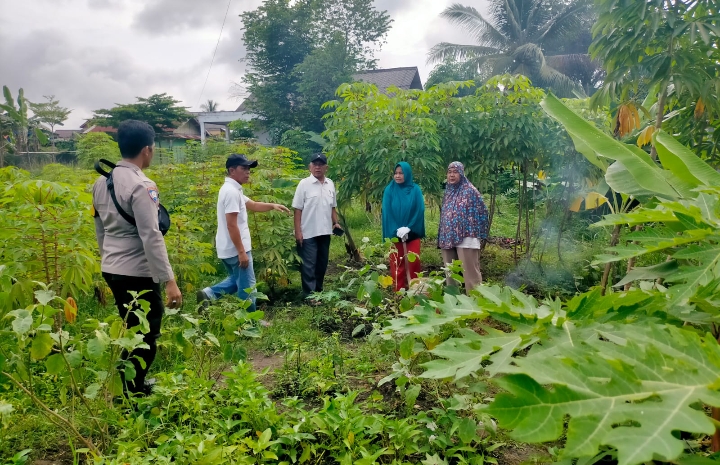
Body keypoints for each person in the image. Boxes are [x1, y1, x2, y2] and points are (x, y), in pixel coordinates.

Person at [92, 119, 182, 395]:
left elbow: (100, 230)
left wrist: (109, 258)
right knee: (146, 333)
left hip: (113, 267)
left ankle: (130, 385)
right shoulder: (143, 185)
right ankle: (132, 391)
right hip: (137, 271)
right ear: (147, 150)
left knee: (132, 329)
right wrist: (169, 280)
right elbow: (151, 235)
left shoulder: (100, 182)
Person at [197, 154, 290, 311]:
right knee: (248, 288)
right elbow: (231, 225)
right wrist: (241, 252)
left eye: (249, 169)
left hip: (228, 247)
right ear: (232, 170)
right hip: (236, 248)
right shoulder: (231, 192)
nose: (248, 172)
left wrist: (273, 205)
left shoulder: (233, 189)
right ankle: (249, 323)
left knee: (238, 279)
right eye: (244, 168)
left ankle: (209, 294)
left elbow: (252, 205)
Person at [292, 153, 341, 298]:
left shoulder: (330, 183)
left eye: (321, 164)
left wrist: (336, 223)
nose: (317, 167)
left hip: (325, 231)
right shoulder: (304, 184)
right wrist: (298, 231)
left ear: (326, 167)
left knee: (322, 263)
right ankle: (310, 295)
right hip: (308, 232)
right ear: (310, 167)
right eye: (315, 164)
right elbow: (297, 209)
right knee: (308, 265)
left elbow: (332, 207)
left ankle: (318, 291)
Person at [438, 161, 489, 294]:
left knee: (470, 275)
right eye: (449, 172)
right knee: (450, 274)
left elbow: (483, 212)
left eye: (455, 172)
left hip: (467, 237)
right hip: (448, 237)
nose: (452, 175)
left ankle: (476, 306)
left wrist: (473, 229)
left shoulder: (470, 191)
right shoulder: (448, 192)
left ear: (461, 173)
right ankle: (453, 304)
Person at [381, 162, 425, 291]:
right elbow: (387, 211)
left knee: (414, 262)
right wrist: (396, 229)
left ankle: (416, 292)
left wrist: (409, 227)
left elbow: (419, 209)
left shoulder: (415, 189)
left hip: (412, 232)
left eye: (401, 173)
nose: (398, 176)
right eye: (396, 173)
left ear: (407, 174)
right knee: (396, 263)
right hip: (395, 234)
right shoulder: (390, 190)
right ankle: (398, 293)